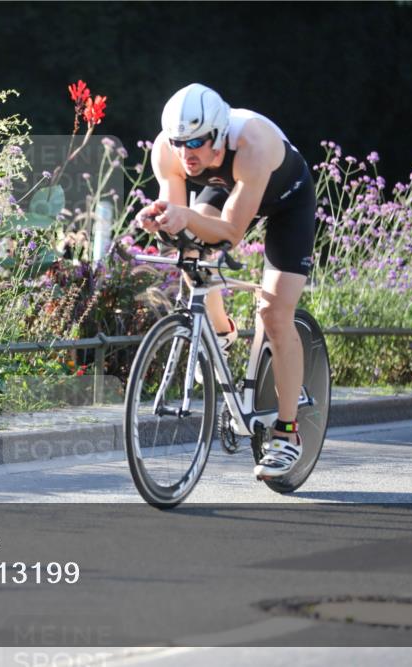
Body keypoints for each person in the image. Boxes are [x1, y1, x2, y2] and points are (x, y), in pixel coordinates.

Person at [135, 83, 316, 479]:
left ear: (218, 134)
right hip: (228, 188)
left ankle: (287, 435)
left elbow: (231, 232)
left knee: (273, 314)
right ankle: (219, 333)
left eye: (197, 142)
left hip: (287, 200)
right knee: (190, 250)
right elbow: (181, 219)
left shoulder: (253, 141)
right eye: (180, 142)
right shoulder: (167, 150)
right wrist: (161, 221)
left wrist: (185, 218)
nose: (187, 153)